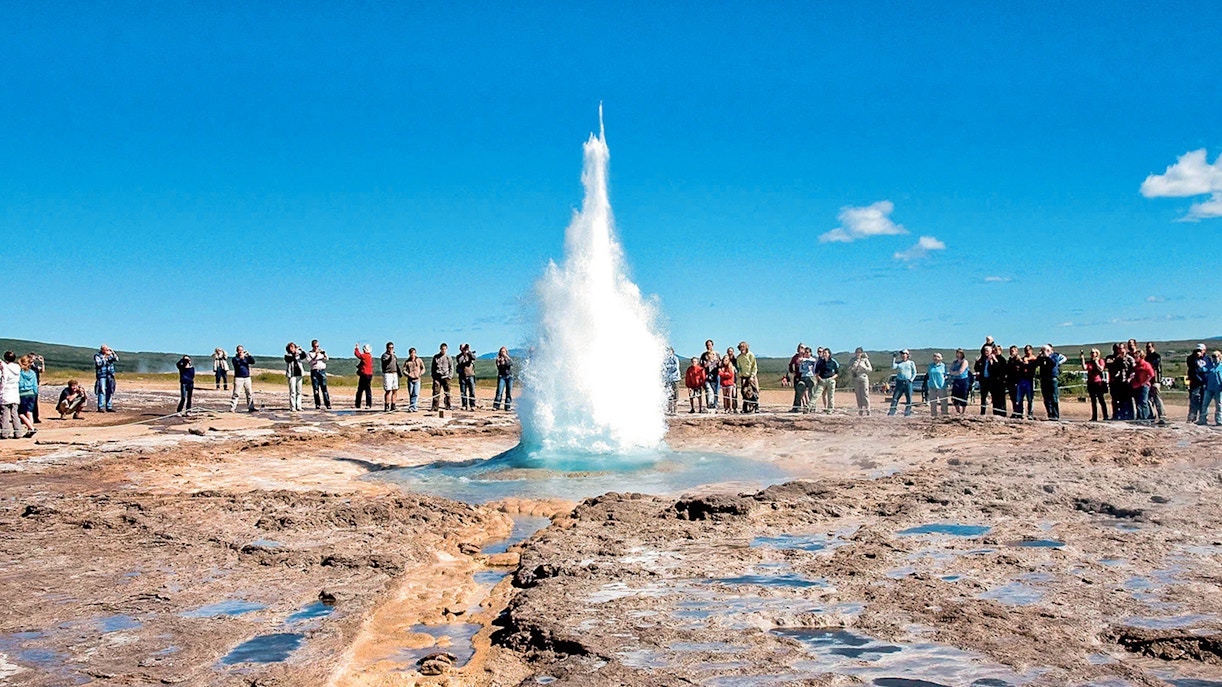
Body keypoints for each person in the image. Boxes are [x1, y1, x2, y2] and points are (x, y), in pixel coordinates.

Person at [1035, 344, 1067, 421]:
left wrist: (1047, 357)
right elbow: (1036, 364)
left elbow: (1053, 363)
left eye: (1044, 350)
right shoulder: (1042, 358)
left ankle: (1055, 415)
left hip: (1052, 378)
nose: (1043, 352)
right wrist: (1039, 357)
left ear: (1049, 350)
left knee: (1054, 398)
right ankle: (1050, 414)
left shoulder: (1054, 355)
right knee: (1046, 398)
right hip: (1044, 379)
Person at [974, 345, 1008, 417]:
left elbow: (997, 369)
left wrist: (992, 361)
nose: (986, 352)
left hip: (992, 381)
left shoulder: (994, 359)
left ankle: (998, 412)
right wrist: (977, 362)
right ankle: (982, 412)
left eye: (987, 351)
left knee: (995, 397)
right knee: (983, 397)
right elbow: (977, 368)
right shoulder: (982, 359)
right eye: (985, 351)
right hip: (983, 380)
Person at [1105, 343, 1134, 421]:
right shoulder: (1110, 358)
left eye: (1120, 348)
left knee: (1125, 399)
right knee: (1115, 399)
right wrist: (1117, 360)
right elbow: (1108, 364)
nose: (1118, 350)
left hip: (1125, 382)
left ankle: (1126, 415)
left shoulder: (1128, 358)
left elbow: (1133, 369)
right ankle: (1116, 415)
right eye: (1116, 349)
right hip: (1114, 382)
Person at [1080, 348, 1110, 422]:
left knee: (1101, 400)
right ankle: (1094, 416)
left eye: (1094, 352)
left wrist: (1096, 362)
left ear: (1097, 353)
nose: (1092, 354)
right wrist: (1082, 359)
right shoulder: (1089, 362)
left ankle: (1105, 415)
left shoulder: (1101, 361)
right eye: (1091, 353)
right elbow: (1084, 367)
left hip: (1098, 382)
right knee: (1093, 401)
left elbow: (1101, 369)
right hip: (1091, 382)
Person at [1198, 350, 1222, 427]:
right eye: (1213, 357)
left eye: (1215, 356)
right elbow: (1203, 370)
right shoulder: (1210, 365)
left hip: (1219, 388)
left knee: (1219, 405)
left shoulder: (1221, 367)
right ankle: (1203, 419)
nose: (1214, 358)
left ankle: (1219, 420)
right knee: (1205, 404)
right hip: (1209, 388)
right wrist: (1199, 365)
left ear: (1220, 357)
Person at [229, 345, 256, 412]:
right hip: (238, 378)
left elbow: (252, 362)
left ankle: (251, 407)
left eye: (241, 350)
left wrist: (249, 355)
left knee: (249, 393)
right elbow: (237, 364)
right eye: (239, 350)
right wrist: (241, 358)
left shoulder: (246, 358)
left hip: (247, 377)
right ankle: (232, 408)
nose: (240, 351)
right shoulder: (235, 359)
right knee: (236, 393)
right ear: (237, 351)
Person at [1131, 349, 1156, 422]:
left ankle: (1146, 418)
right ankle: (1140, 418)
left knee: (1144, 402)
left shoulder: (1146, 364)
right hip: (1137, 386)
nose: (1135, 357)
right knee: (1138, 403)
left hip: (1144, 386)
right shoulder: (1136, 366)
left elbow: (1151, 375)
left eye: (1137, 356)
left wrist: (1144, 382)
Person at [888, 349, 916, 416]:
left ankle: (907, 413)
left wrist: (911, 379)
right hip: (899, 382)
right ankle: (892, 412)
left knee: (909, 398)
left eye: (904, 354)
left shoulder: (911, 363)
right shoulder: (899, 363)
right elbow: (893, 367)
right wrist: (894, 358)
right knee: (895, 398)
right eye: (902, 354)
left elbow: (914, 372)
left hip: (908, 382)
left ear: (907, 355)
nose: (903, 355)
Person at [736, 342, 759, 414]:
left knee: (754, 392)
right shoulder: (739, 357)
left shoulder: (751, 355)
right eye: (741, 347)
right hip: (744, 377)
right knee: (744, 392)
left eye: (743, 347)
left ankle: (756, 407)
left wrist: (752, 376)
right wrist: (740, 375)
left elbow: (754, 366)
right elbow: (738, 367)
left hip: (751, 376)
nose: (742, 349)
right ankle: (745, 408)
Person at [307, 340, 331, 410]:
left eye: (317, 346)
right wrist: (316, 356)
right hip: (314, 371)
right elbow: (310, 362)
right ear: (312, 346)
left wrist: (324, 354)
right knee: (316, 389)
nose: (316, 348)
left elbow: (326, 359)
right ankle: (317, 404)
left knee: (324, 388)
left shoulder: (321, 352)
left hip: (322, 371)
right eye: (315, 347)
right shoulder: (309, 353)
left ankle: (327, 404)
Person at [17, 356, 38, 438]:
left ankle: (31, 428)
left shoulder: (20, 373)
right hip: (32, 393)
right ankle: (30, 430)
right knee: (29, 412)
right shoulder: (32, 372)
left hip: (22, 393)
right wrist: (35, 393)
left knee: (20, 413)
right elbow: (35, 384)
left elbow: (21, 384)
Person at [848, 348, 872, 416]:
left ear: (862, 353)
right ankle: (860, 409)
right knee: (858, 395)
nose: (858, 354)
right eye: (857, 352)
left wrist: (864, 367)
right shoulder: (852, 360)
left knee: (865, 394)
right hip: (856, 378)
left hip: (864, 378)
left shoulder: (865, 360)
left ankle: (868, 409)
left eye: (859, 352)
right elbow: (849, 368)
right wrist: (853, 368)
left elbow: (870, 369)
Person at [1144, 342, 1165, 422]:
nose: (1148, 348)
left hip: (1155, 380)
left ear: (1153, 347)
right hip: (1148, 381)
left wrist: (1158, 381)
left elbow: (1154, 367)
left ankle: (1162, 415)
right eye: (1147, 347)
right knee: (1148, 399)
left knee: (1157, 398)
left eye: (1149, 347)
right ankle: (1151, 415)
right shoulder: (1146, 357)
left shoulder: (1156, 356)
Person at [0, 352, 19, 439]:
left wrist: (0, 392)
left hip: (6, 393)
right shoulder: (17, 367)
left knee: (4, 414)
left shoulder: (5, 368)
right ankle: (18, 432)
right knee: (15, 414)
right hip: (15, 393)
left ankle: (4, 433)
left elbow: (4, 380)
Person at [1188, 343, 1209, 423]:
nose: (1198, 352)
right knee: (1194, 400)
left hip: (1204, 383)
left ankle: (1203, 419)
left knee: (1204, 402)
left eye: (1200, 350)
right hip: (1195, 383)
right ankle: (1192, 418)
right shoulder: (1191, 359)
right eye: (1197, 350)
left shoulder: (1207, 359)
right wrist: (1196, 358)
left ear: (1204, 351)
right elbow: (1191, 366)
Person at [94, 345, 119, 412]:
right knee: (102, 390)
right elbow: (99, 364)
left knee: (110, 390)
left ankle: (109, 406)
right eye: (105, 349)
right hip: (102, 375)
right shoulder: (97, 355)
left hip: (110, 375)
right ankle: (101, 407)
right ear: (102, 350)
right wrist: (105, 357)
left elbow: (116, 359)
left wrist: (113, 352)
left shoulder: (110, 355)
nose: (107, 351)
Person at [814, 348, 839, 413]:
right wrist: (819, 379)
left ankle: (830, 409)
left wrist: (832, 378)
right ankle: (811, 406)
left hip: (830, 379)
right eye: (823, 352)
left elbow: (837, 372)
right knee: (818, 394)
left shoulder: (833, 362)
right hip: (822, 380)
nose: (824, 354)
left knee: (830, 395)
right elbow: (816, 372)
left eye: (825, 353)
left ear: (829, 354)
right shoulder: (819, 362)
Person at [284, 343, 307, 411]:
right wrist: (295, 352)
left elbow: (304, 356)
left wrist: (300, 349)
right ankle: (292, 406)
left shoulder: (298, 355)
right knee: (292, 391)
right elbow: (291, 359)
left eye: (293, 347)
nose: (293, 348)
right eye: (291, 347)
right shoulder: (287, 355)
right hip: (292, 375)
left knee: (299, 391)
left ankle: (299, 406)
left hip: (299, 374)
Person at [431, 343, 454, 411]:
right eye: (442, 349)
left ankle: (448, 406)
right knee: (436, 392)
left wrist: (450, 376)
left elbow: (451, 367)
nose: (443, 350)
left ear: (446, 349)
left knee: (447, 392)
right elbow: (433, 367)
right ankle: (435, 407)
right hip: (437, 377)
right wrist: (433, 376)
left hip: (446, 377)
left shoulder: (448, 357)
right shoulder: (436, 357)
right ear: (440, 349)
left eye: (444, 349)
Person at [948, 349, 971, 415]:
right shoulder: (954, 362)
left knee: (963, 395)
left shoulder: (965, 362)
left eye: (960, 353)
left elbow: (961, 371)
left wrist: (954, 372)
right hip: (956, 380)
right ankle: (958, 411)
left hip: (963, 380)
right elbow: (950, 370)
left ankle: (963, 411)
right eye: (957, 353)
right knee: (955, 395)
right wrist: (954, 373)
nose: (958, 355)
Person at [700, 340, 720, 413]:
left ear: (712, 345)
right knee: (708, 390)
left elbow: (720, 364)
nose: (709, 346)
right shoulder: (703, 355)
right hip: (707, 376)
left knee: (715, 391)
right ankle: (709, 404)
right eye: (707, 345)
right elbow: (702, 366)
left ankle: (715, 405)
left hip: (715, 375)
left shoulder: (717, 354)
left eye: (710, 345)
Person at [403, 347, 425, 412]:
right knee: (411, 393)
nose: (413, 354)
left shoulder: (419, 360)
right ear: (409, 354)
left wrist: (420, 373)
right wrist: (408, 374)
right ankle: (413, 406)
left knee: (415, 393)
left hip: (417, 379)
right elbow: (404, 370)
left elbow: (423, 368)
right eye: (411, 353)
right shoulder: (407, 362)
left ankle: (413, 406)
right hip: (410, 379)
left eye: (414, 353)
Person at [456, 344, 477, 410]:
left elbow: (474, 358)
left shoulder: (470, 354)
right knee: (463, 391)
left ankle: (472, 405)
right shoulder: (459, 356)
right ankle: (464, 405)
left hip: (470, 375)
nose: (464, 349)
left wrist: (468, 352)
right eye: (462, 348)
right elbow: (460, 361)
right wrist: (464, 354)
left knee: (472, 391)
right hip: (462, 375)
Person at [493, 347, 514, 412]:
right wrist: (499, 361)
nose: (503, 353)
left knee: (509, 392)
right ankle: (496, 406)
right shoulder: (498, 359)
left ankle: (507, 406)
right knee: (499, 391)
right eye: (502, 352)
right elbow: (499, 367)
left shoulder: (508, 358)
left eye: (504, 351)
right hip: (502, 376)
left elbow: (512, 363)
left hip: (509, 376)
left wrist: (506, 357)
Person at [927, 352, 948, 417]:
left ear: (941, 358)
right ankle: (933, 415)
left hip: (941, 386)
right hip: (932, 385)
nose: (936, 358)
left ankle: (944, 414)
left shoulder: (943, 366)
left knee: (943, 401)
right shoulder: (930, 366)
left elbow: (945, 375)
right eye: (935, 356)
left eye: (938, 356)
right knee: (933, 402)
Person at [380, 343, 400, 411]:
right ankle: (386, 405)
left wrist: (399, 373)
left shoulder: (394, 356)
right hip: (388, 373)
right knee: (388, 390)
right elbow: (386, 362)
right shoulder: (384, 356)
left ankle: (393, 405)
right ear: (387, 348)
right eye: (390, 347)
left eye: (392, 347)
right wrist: (391, 355)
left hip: (394, 373)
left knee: (395, 389)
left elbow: (396, 364)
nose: (391, 349)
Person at [353, 344, 374, 409]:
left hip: (365, 374)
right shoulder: (369, 356)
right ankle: (368, 404)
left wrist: (356, 348)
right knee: (368, 389)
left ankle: (358, 404)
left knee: (360, 390)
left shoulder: (365, 356)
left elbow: (358, 355)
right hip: (369, 374)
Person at [663, 347, 682, 415]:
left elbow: (676, 367)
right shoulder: (665, 359)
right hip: (668, 379)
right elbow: (663, 367)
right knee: (669, 394)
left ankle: (675, 410)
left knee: (676, 395)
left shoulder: (675, 358)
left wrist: (668, 367)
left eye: (669, 351)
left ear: (672, 352)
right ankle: (669, 409)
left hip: (675, 378)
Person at [27, 352, 43, 423]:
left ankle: (35, 417)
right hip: (28, 386)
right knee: (27, 402)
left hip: (35, 385)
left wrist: (42, 363)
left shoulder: (35, 366)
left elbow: (42, 370)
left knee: (34, 402)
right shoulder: (27, 366)